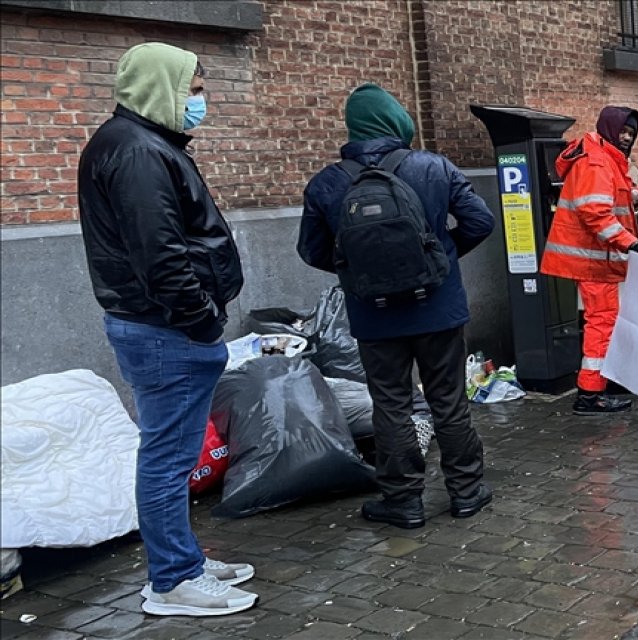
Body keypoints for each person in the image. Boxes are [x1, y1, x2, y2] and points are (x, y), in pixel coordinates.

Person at [78, 42, 257, 616]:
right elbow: (161, 255)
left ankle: (184, 560)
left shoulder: (143, 144)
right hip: (165, 331)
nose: (201, 102)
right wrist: (203, 322)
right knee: (167, 457)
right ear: (162, 89)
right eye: (194, 91)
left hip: (164, 327)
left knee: (170, 454)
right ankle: (173, 581)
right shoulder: (136, 152)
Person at [298, 84, 495, 528]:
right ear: (396, 122)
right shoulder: (432, 167)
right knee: (447, 400)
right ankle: (466, 492)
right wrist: (436, 263)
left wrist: (364, 275)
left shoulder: (328, 182)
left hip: (374, 314)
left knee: (391, 405)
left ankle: (404, 503)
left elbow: (311, 251)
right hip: (438, 308)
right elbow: (480, 221)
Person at [540, 106, 638, 415]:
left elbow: (612, 194)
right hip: (595, 261)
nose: (628, 137)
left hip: (597, 259)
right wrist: (630, 243)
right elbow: (596, 212)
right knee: (601, 323)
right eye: (624, 131)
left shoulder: (602, 156)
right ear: (609, 129)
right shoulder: (598, 161)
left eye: (632, 132)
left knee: (602, 322)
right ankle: (590, 394)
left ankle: (598, 385)